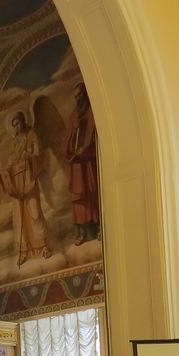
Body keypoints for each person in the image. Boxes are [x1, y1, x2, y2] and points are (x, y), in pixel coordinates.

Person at [0, 110, 51, 266]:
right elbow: (10, 164)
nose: (17, 127)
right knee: (20, 218)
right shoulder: (13, 143)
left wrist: (30, 157)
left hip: (29, 178)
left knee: (35, 212)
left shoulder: (32, 136)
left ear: (24, 121)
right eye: (14, 125)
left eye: (18, 123)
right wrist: (1, 173)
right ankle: (24, 251)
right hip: (17, 183)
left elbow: (39, 154)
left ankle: (43, 246)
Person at [64, 82, 100, 245]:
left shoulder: (94, 111)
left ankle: (99, 228)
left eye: (80, 95)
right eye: (76, 96)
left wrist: (86, 147)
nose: (78, 99)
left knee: (92, 193)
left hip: (89, 161)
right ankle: (82, 233)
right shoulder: (73, 116)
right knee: (79, 197)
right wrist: (73, 142)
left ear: (85, 94)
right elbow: (66, 140)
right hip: (78, 164)